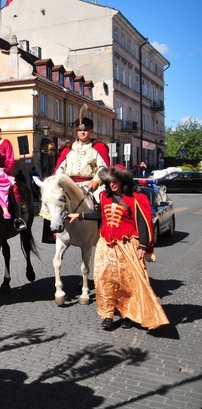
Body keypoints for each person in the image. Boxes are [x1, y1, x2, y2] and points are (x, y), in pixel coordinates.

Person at [67, 166, 169, 331]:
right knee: (104, 279)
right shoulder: (104, 196)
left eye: (115, 181)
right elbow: (100, 214)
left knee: (129, 282)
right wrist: (80, 215)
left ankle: (128, 314)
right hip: (106, 245)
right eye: (109, 181)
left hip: (128, 245)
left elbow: (143, 223)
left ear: (123, 181)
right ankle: (107, 314)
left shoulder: (135, 198)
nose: (112, 184)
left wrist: (143, 245)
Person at [53, 107, 110, 196]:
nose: (82, 132)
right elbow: (60, 168)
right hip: (69, 185)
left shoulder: (98, 147)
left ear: (91, 131)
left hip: (91, 185)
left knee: (101, 199)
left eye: (85, 130)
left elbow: (103, 168)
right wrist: (58, 180)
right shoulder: (68, 148)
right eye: (80, 130)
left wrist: (96, 181)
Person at [0, 120, 26, 229]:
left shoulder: (6, 143)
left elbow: (10, 160)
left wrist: (3, 173)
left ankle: (18, 217)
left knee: (14, 188)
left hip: (3, 172)